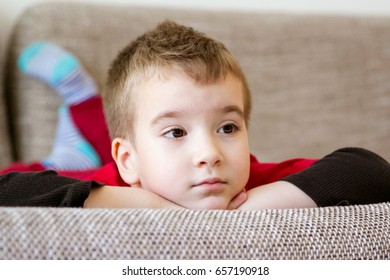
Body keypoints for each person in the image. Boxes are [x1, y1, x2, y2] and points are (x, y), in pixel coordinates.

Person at [1, 21, 390, 209]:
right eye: (175, 132)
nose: (210, 153)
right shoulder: (114, 182)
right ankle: (81, 101)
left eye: (227, 127)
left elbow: (371, 171)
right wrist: (145, 203)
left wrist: (258, 205)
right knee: (69, 162)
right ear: (128, 163)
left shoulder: (248, 180)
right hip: (111, 170)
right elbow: (8, 188)